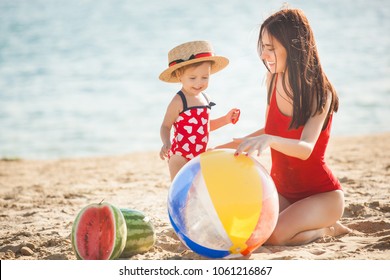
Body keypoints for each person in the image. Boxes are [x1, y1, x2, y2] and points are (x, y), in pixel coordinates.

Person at [218, 9, 350, 245]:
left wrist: (270, 140)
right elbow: (270, 129)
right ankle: (311, 223)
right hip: (283, 191)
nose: (264, 54)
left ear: (293, 46)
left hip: (322, 196)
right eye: (263, 46)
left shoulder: (320, 93)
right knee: (250, 233)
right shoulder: (272, 80)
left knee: (275, 237)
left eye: (271, 47)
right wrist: (222, 149)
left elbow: (305, 147)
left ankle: (327, 229)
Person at [159, 40, 240, 180]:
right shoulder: (179, 101)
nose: (199, 83)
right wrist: (166, 142)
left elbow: (205, 127)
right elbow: (165, 126)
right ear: (179, 76)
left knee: (197, 186)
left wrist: (226, 119)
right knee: (180, 186)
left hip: (199, 154)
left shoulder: (205, 98)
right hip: (180, 154)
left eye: (205, 77)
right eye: (192, 78)